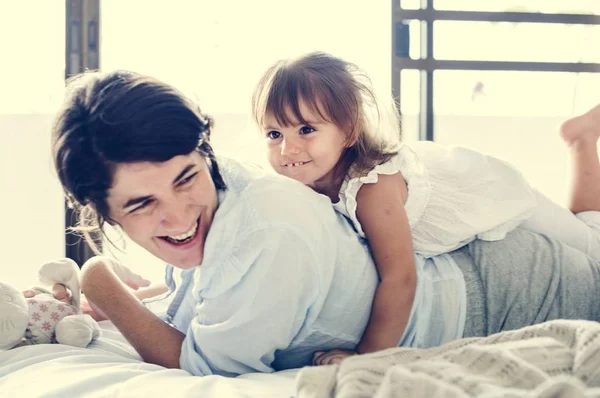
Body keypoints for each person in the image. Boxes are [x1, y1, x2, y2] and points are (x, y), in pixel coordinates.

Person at [45, 70, 600, 377]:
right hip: (476, 276)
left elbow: (200, 362)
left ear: (205, 153)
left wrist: (99, 278)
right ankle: (583, 148)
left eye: (186, 178)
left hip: (512, 289)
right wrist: (140, 298)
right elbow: (206, 289)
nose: (178, 214)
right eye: (141, 205)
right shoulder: (232, 192)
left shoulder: (272, 229)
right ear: (101, 209)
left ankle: (582, 144)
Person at [251, 51, 600, 363]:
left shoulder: (371, 190)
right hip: (447, 190)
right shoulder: (306, 179)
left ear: (349, 131)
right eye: (274, 134)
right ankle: (580, 139)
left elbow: (401, 278)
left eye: (306, 129)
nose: (287, 150)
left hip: (486, 194)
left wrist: (366, 356)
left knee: (593, 246)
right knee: (584, 233)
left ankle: (581, 138)